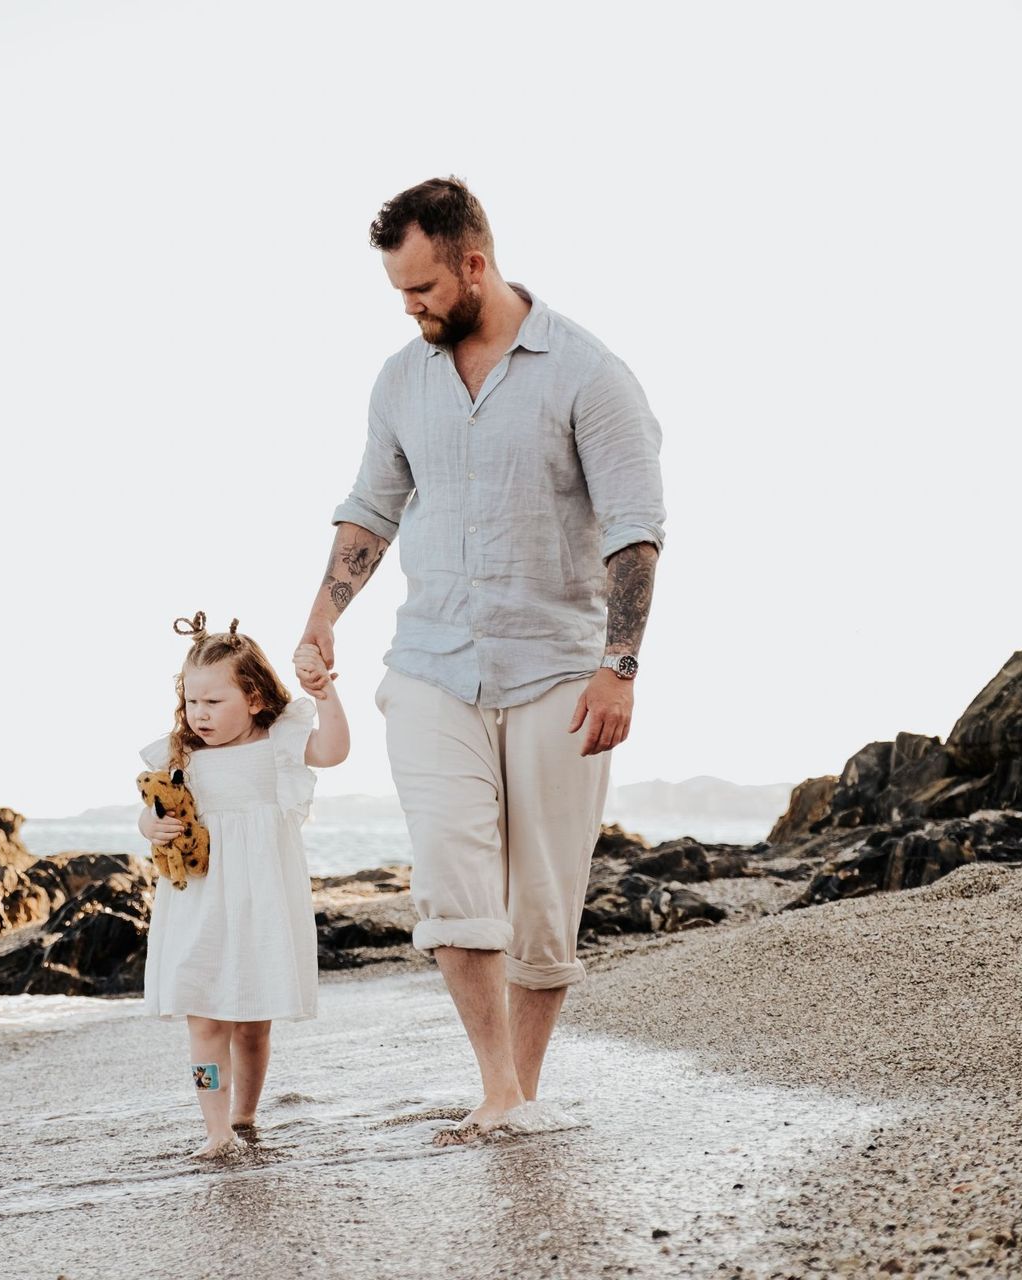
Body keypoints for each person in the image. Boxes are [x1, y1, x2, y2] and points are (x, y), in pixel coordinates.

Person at [296, 176, 665, 1144]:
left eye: (421, 287)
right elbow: (373, 506)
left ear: (473, 262)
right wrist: (325, 613)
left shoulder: (590, 373)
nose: (410, 306)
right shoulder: (401, 378)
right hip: (431, 665)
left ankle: (520, 1094)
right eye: (397, 291)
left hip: (558, 670)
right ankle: (496, 1086)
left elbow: (635, 533)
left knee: (543, 908)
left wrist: (618, 664)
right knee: (453, 881)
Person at [138, 612, 349, 1157]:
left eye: (215, 702)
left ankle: (245, 1113)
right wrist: (150, 825)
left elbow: (334, 751)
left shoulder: (280, 742)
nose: (199, 714)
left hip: (261, 903)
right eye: (192, 701)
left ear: (254, 698)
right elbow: (152, 812)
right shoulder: (180, 756)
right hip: (199, 905)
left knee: (254, 1021)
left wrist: (325, 696)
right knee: (204, 1019)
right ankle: (216, 1128)